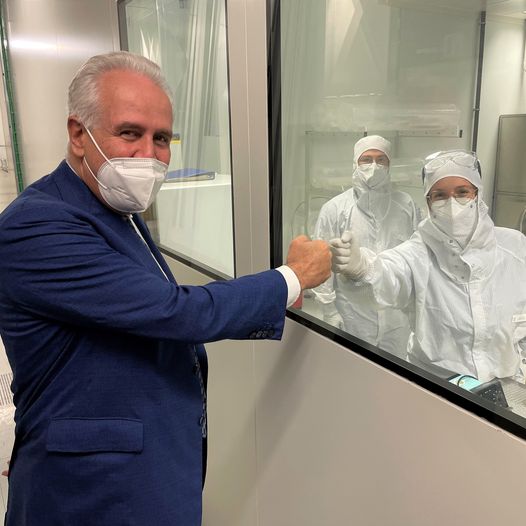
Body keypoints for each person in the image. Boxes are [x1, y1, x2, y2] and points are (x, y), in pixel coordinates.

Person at [0, 51, 331, 526]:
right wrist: (292, 276)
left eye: (161, 139)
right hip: (92, 490)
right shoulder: (37, 225)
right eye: (129, 133)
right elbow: (175, 312)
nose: (149, 156)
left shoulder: (114, 209)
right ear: (78, 134)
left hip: (137, 468)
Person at [330, 149, 526, 382]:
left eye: (462, 192)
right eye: (440, 195)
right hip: (436, 385)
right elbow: (387, 273)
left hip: (505, 383)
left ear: (477, 195)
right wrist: (361, 267)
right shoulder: (418, 253)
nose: (452, 204)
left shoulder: (514, 247)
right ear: (429, 202)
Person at [312, 135, 419, 356]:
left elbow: (418, 258)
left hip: (396, 318)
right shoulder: (335, 209)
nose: (374, 166)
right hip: (353, 316)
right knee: (353, 369)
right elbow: (321, 264)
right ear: (355, 163)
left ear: (390, 164)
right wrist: (329, 310)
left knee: (394, 372)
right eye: (367, 159)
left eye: (381, 160)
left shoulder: (406, 205)